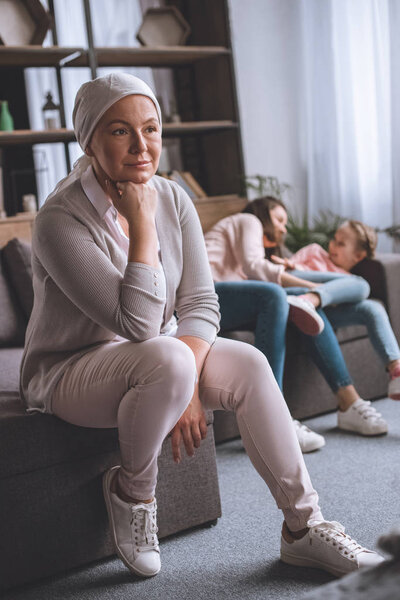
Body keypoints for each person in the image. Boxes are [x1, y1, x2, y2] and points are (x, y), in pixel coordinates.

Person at [20, 73, 383, 580]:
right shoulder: (59, 219)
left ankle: (304, 527)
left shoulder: (173, 197)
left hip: (158, 358)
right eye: (120, 131)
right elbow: (140, 322)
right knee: (167, 357)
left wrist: (185, 380)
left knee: (250, 364)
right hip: (69, 371)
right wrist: (141, 224)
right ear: (89, 138)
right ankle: (134, 491)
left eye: (150, 128)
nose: (141, 146)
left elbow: (199, 304)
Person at [205, 198, 392, 448]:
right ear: (264, 212)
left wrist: (311, 295)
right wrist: (316, 288)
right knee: (278, 296)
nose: (283, 229)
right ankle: (274, 418)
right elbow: (255, 267)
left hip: (241, 298)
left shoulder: (254, 258)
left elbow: (255, 272)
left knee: (329, 300)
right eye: (279, 219)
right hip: (208, 294)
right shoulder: (248, 221)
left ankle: (349, 401)